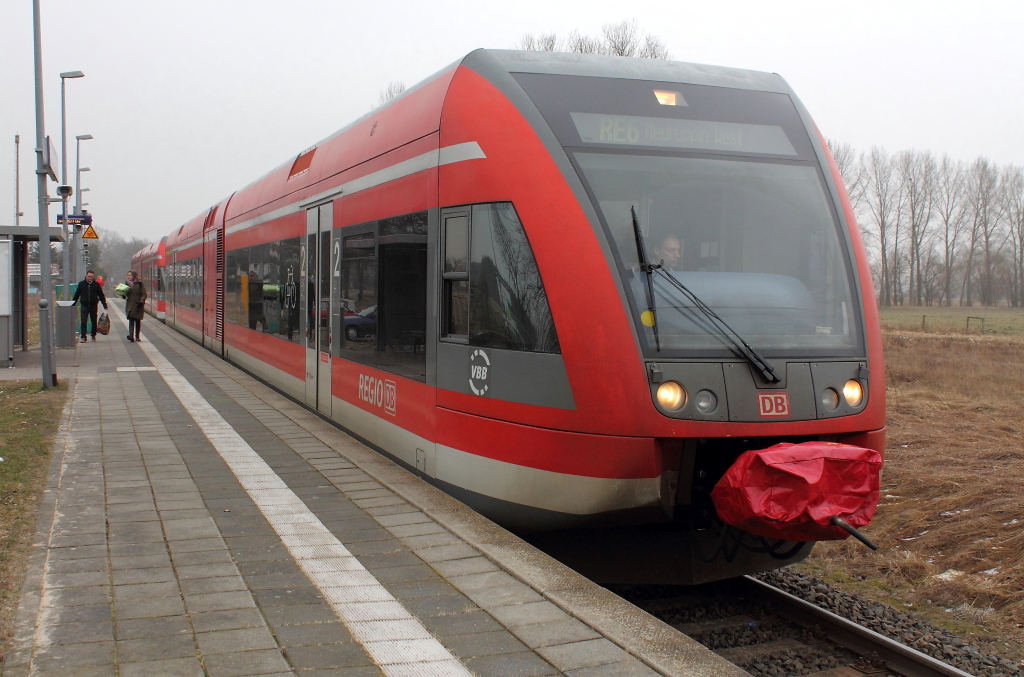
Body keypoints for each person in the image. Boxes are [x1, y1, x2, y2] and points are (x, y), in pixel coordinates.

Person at [71, 270, 108, 343]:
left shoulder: (96, 285)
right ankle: (83, 337)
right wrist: (73, 304)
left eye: (91, 277)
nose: (90, 278)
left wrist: (104, 305)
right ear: (86, 276)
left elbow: (101, 295)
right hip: (84, 305)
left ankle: (93, 335)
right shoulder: (81, 284)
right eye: (88, 277)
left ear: (93, 277)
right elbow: (77, 294)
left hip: (93, 305)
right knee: (83, 321)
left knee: (93, 321)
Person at [124, 270, 148, 343]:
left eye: (130, 275)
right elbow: (125, 295)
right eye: (127, 275)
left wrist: (141, 301)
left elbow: (144, 294)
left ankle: (137, 336)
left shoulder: (139, 284)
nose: (128, 277)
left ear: (134, 276)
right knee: (131, 321)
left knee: (137, 321)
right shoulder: (126, 284)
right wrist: (123, 294)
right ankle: (131, 335)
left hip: (138, 305)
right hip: (130, 305)